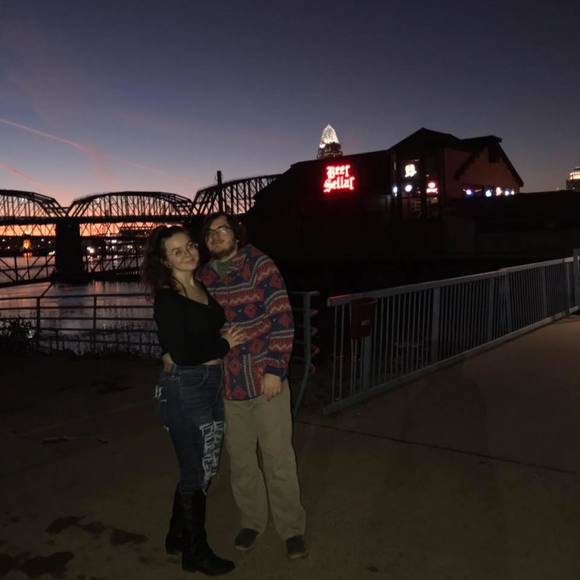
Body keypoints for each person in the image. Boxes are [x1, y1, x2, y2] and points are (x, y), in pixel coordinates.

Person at [197, 212, 308, 560]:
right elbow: (198, 326)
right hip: (228, 385)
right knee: (241, 459)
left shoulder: (260, 265)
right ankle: (252, 521)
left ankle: (291, 528)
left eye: (222, 230)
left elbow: (282, 318)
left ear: (236, 235)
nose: (215, 236)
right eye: (210, 232)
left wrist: (276, 368)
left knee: (277, 458)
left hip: (264, 379)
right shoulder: (203, 277)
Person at [142, 225, 246, 576]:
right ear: (164, 261)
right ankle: (195, 552)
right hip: (185, 387)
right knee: (197, 470)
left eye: (189, 245)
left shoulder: (200, 285)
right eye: (176, 251)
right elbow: (184, 352)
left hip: (211, 383)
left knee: (201, 465)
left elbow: (195, 337)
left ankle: (176, 536)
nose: (187, 253)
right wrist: (224, 345)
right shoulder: (167, 298)